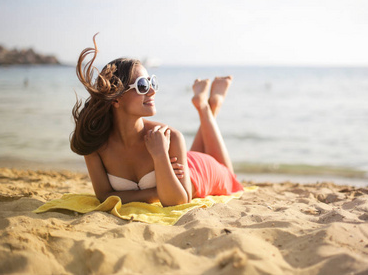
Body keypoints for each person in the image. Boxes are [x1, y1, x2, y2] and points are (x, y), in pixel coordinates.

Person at [70, 35, 243, 207]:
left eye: (152, 82)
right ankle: (209, 105)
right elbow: (104, 196)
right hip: (183, 161)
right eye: (143, 86)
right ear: (116, 99)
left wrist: (160, 155)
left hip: (201, 172)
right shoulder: (94, 142)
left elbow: (180, 200)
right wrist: (156, 191)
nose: (152, 91)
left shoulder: (169, 137)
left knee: (230, 178)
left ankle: (207, 107)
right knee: (197, 157)